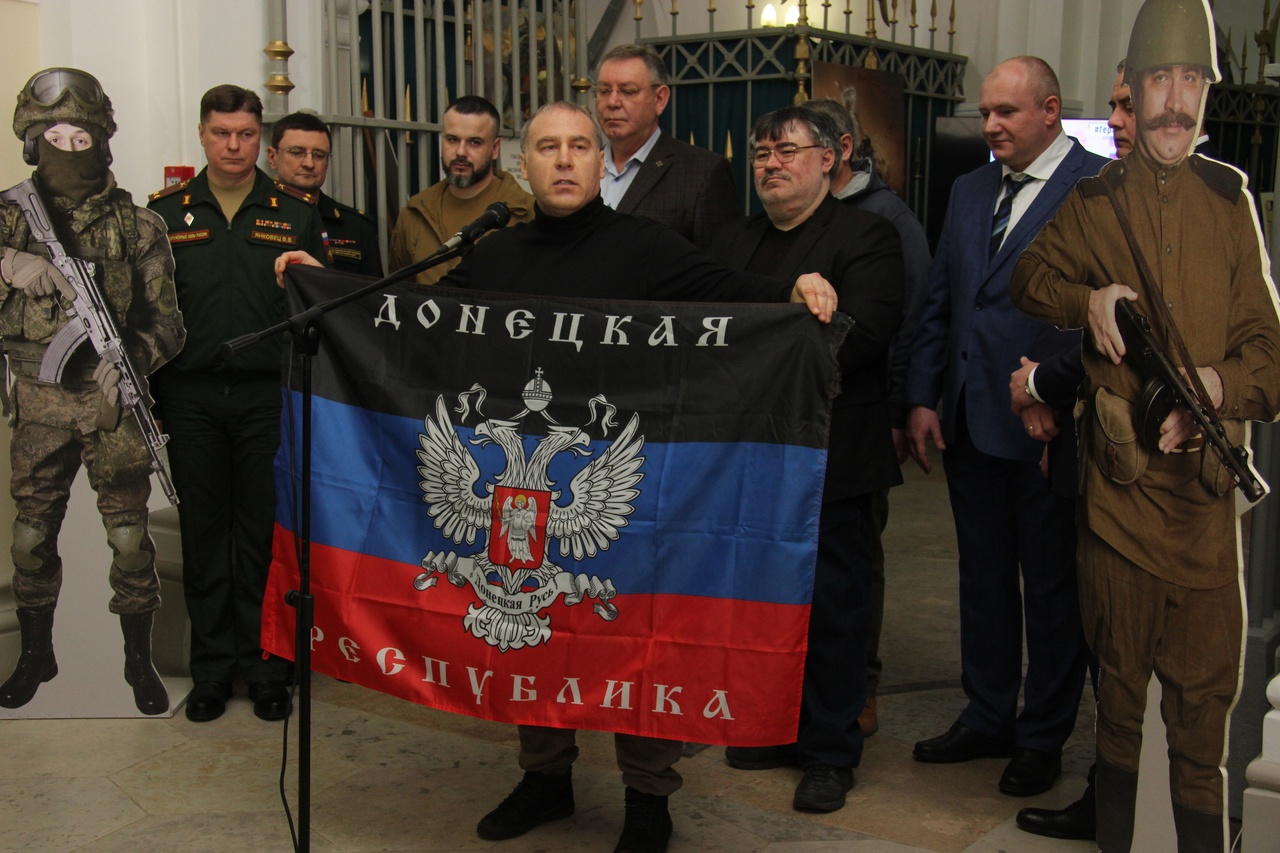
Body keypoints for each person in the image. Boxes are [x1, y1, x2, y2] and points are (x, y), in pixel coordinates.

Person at [428, 101, 836, 853]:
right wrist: (323, 285)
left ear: (600, 160)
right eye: (547, 147)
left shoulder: (645, 245)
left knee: (632, 636)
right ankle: (544, 776)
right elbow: (411, 316)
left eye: (579, 146)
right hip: (524, 494)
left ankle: (649, 796)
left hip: (624, 481)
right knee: (531, 631)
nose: (564, 160)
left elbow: (728, 291)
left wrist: (793, 290)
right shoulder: (497, 252)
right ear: (523, 164)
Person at [1011, 0, 1280, 847]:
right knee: (1120, 712)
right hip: (1119, 508)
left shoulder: (1228, 202)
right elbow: (1027, 279)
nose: (1175, 101)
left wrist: (1214, 386)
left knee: (1202, 731)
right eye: (1160, 80)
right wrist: (1088, 299)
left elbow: (1269, 357)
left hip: (1204, 511)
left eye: (1191, 80)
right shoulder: (1095, 202)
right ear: (1131, 86)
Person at [903, 56, 1106, 797]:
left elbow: (1099, 309)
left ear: (1050, 110)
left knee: (1052, 590)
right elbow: (944, 299)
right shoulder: (970, 189)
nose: (989, 125)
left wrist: (1054, 387)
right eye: (985, 112)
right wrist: (923, 396)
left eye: (1006, 112)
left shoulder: (1097, 186)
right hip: (968, 417)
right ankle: (987, 714)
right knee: (983, 578)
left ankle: (1042, 734)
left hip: (1047, 424)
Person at [708, 106, 903, 812]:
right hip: (750, 455)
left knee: (834, 609)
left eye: (786, 150)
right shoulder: (735, 240)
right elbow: (710, 328)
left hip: (834, 457)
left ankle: (828, 751)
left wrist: (761, 355)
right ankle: (776, 727)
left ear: (829, 159)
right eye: (761, 152)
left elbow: (865, 333)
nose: (770, 163)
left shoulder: (867, 236)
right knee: (765, 603)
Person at [0, 67, 185, 716]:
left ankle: (138, 660)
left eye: (81, 139)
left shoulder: (140, 226)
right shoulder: (9, 217)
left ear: (101, 142)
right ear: (33, 141)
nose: (69, 150)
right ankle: (36, 653)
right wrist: (11, 262)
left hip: (111, 405)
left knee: (131, 540)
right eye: (55, 137)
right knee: (30, 537)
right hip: (38, 402)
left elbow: (168, 324)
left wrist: (132, 358)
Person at [147, 84, 327, 724]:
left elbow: (321, 307)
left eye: (246, 134)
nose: (233, 145)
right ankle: (213, 671)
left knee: (262, 537)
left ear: (261, 140)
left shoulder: (294, 212)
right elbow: (145, 311)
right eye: (222, 133)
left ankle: (267, 667)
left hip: (265, 396)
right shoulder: (164, 214)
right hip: (189, 394)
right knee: (203, 536)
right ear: (202, 133)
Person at [1012, 54, 1139, 843]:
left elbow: (1131, 333)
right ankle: (1109, 791)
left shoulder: (1196, 202)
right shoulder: (1107, 195)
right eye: (1115, 104)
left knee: (1125, 644)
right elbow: (1064, 300)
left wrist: (1037, 382)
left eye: (1127, 103)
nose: (1114, 120)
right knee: (1092, 628)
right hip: (1088, 447)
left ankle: (1122, 804)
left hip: (1144, 463)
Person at [803, 96, 930, 738]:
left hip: (864, 416)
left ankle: (861, 688)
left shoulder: (887, 219)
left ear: (839, 152)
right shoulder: (799, 215)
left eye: (799, 148)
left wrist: (901, 408)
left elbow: (912, 321)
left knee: (856, 559)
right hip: (804, 421)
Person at [595, 44, 740, 250]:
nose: (612, 102)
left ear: (660, 99)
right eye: (604, 91)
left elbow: (717, 263)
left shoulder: (703, 173)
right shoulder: (584, 167)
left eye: (628, 91)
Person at [388, 95, 532, 284]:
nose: (461, 152)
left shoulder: (526, 212)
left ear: (495, 148)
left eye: (474, 142)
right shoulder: (415, 213)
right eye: (452, 140)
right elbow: (398, 293)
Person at [268, 111, 382, 277]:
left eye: (319, 155)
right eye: (296, 152)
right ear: (272, 157)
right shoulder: (252, 215)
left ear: (327, 162)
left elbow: (374, 292)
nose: (309, 163)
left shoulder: (356, 227)